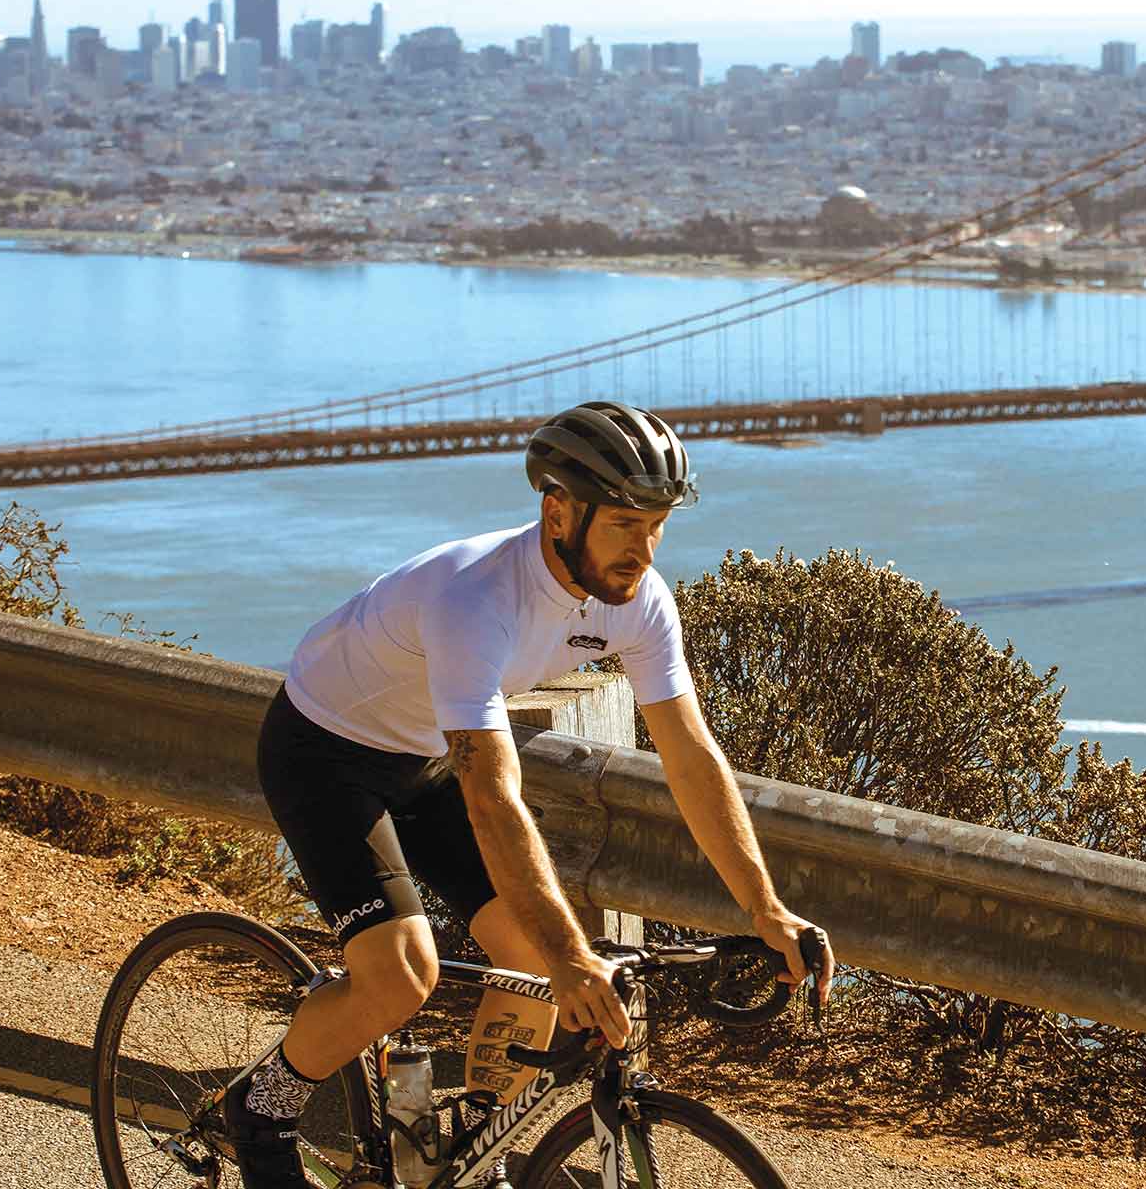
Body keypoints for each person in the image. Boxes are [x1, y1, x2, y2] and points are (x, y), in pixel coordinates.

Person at [226, 400, 834, 1188]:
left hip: (422, 756)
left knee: (534, 962)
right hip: (325, 748)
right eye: (623, 524)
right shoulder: (476, 599)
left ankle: (469, 1155)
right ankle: (262, 1107)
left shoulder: (639, 601)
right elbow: (493, 796)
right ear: (559, 512)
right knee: (404, 973)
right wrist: (572, 956)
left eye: (657, 525)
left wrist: (765, 907)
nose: (643, 550)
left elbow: (690, 754)